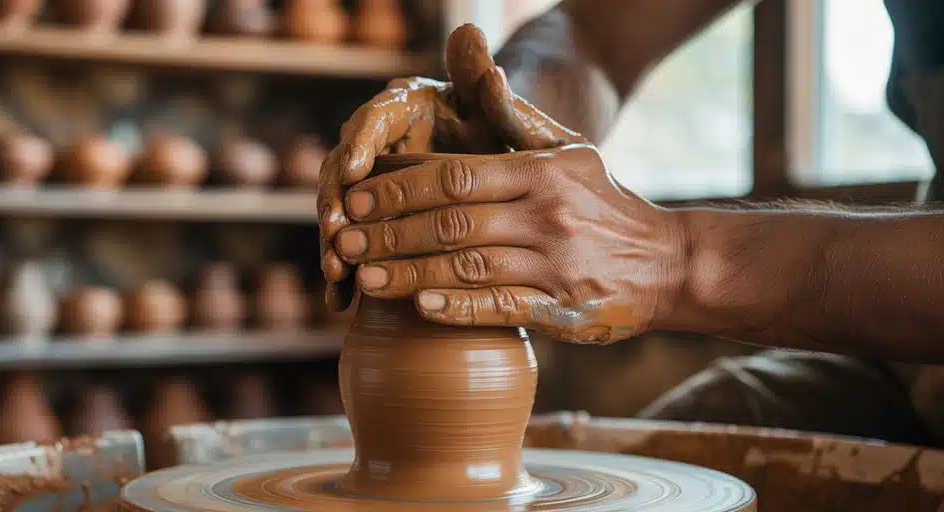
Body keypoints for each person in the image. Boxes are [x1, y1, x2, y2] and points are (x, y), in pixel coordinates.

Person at [317, 0, 944, 448]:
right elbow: (595, 34)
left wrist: (677, 258)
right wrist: (495, 114)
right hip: (902, 365)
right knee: (696, 448)